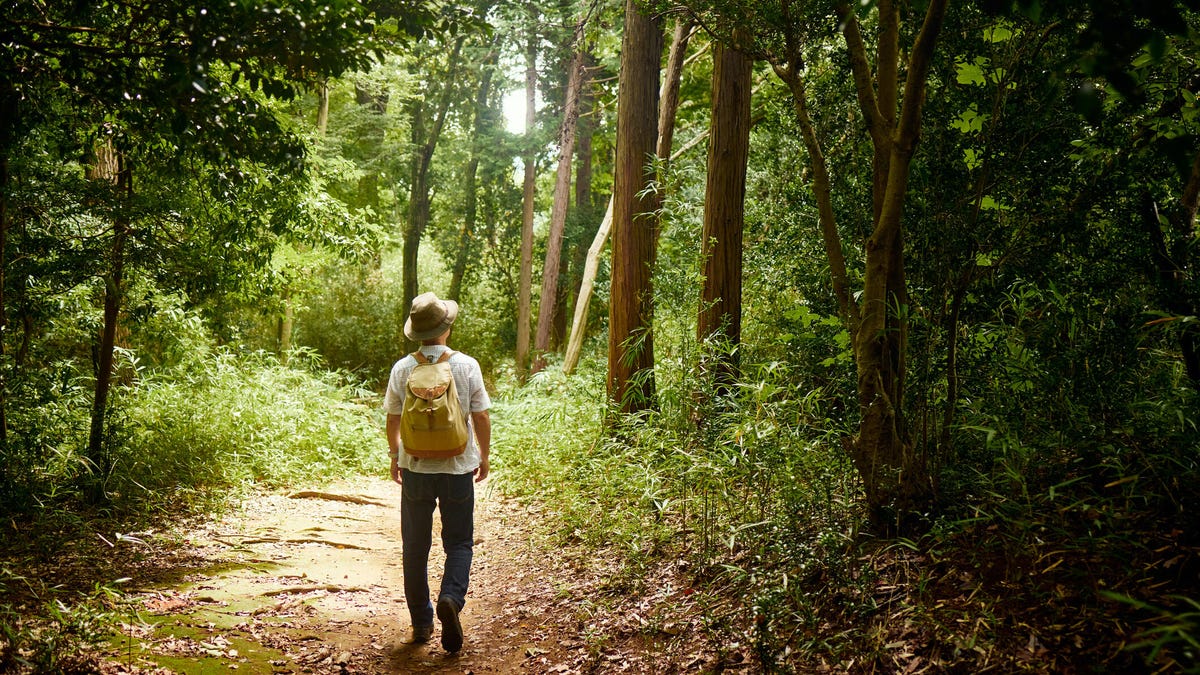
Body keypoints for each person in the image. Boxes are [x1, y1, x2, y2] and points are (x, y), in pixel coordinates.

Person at [384, 291, 492, 653]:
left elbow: (393, 419)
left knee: (414, 547)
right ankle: (451, 598)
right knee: (459, 542)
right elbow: (481, 415)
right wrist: (484, 457)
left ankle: (421, 624)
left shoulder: (402, 368)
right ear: (445, 328)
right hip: (458, 466)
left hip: (415, 467)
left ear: (417, 332)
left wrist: (395, 455)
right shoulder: (467, 365)